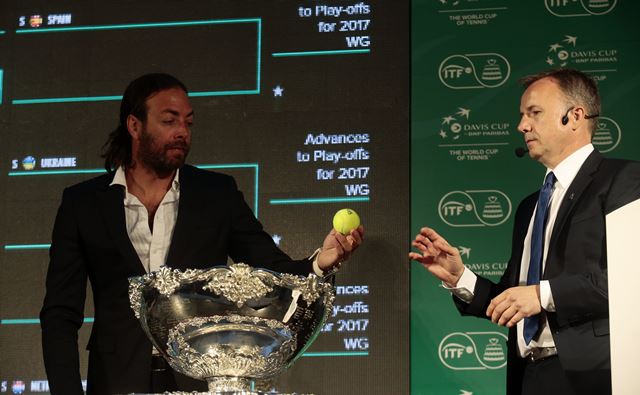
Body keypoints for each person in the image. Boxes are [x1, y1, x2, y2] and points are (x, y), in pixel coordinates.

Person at [40, 73, 364, 395]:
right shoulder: (82, 203)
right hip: (116, 380)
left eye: (188, 123)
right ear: (134, 126)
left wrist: (321, 262)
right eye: (170, 121)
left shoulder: (216, 193)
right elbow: (60, 314)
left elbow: (272, 270)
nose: (182, 132)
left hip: (203, 381)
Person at [410, 68, 640, 395]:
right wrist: (459, 277)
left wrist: (541, 295)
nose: (522, 126)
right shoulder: (530, 207)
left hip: (595, 375)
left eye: (534, 113)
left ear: (574, 117)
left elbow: (630, 282)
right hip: (529, 378)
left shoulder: (625, 181)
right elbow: (512, 297)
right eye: (522, 115)